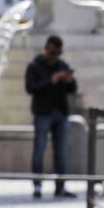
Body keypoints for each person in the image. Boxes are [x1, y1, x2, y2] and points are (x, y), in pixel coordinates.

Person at [23, 35, 78, 197]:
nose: (55, 56)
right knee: (39, 150)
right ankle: (37, 185)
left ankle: (60, 186)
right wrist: (51, 80)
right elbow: (31, 88)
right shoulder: (35, 66)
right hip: (42, 113)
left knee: (61, 152)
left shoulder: (62, 66)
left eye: (58, 53)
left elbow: (73, 90)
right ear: (47, 49)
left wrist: (69, 80)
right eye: (53, 52)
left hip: (60, 113)